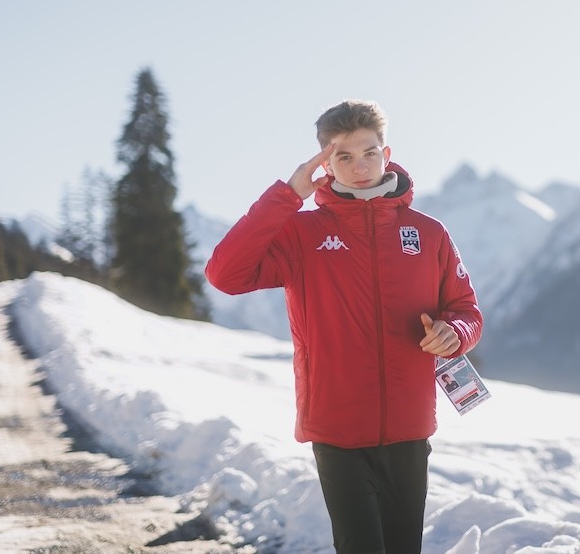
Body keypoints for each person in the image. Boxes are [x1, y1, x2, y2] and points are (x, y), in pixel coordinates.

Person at [206, 100, 483, 554]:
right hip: (337, 427)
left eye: (370, 153)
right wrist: (287, 195)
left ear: (386, 153)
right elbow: (225, 274)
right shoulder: (301, 233)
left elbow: (465, 308)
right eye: (345, 156)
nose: (360, 167)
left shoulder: (428, 233)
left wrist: (456, 331)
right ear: (325, 163)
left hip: (410, 426)